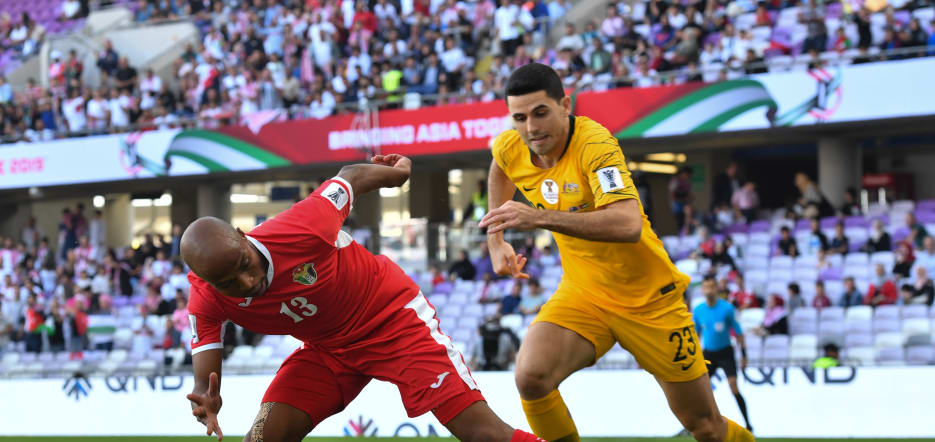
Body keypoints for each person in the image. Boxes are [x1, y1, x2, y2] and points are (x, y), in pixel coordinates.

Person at [182, 154, 545, 442]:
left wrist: (397, 175)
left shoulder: (303, 225)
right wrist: (206, 396)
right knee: (263, 439)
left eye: (244, 265)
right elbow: (205, 371)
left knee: (482, 434)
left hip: (392, 321)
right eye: (228, 283)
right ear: (208, 282)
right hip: (329, 350)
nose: (247, 282)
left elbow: (349, 177)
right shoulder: (205, 298)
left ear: (243, 236)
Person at [478, 63, 753, 442]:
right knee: (531, 377)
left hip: (649, 301)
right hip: (584, 294)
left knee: (705, 426)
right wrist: (496, 238)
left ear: (565, 106)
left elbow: (627, 224)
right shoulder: (512, 145)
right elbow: (500, 165)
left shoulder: (595, 145)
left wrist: (538, 217)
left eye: (540, 113)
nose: (531, 128)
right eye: (520, 118)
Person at [693, 276, 753, 432]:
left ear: (716, 289)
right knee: (701, 392)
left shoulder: (727, 308)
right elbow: (696, 335)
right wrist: (694, 357)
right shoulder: (698, 310)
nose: (709, 290)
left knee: (734, 387)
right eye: (706, 287)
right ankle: (696, 425)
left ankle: (748, 424)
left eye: (711, 287)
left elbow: (739, 333)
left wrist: (744, 356)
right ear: (702, 290)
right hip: (708, 354)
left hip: (726, 352)